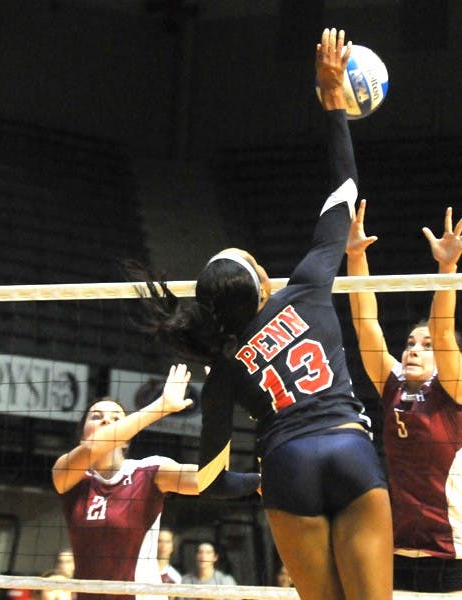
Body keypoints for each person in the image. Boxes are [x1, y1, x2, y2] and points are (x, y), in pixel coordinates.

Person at [130, 28, 393, 600]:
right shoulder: (308, 287)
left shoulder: (223, 366)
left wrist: (258, 484)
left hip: (287, 469)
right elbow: (345, 186)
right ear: (262, 281)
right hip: (349, 447)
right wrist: (332, 105)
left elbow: (209, 481)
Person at [346, 202, 462, 594]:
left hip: (457, 555)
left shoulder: (453, 392)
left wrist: (447, 269)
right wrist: (355, 256)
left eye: (425, 346)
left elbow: (444, 332)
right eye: (410, 342)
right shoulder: (393, 385)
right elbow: (366, 324)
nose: (413, 349)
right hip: (396, 554)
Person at [52, 364, 259, 600]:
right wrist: (160, 407)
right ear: (82, 435)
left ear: (126, 440)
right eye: (96, 417)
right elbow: (93, 446)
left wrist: (219, 408)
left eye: (116, 418)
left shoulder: (149, 472)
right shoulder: (67, 474)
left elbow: (212, 478)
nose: (106, 422)